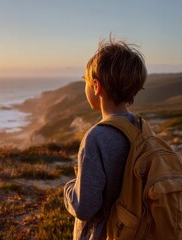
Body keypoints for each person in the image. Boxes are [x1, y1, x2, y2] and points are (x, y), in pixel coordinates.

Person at [63, 37, 147, 239]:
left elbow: (85, 207)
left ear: (96, 86)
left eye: (85, 82)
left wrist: (68, 190)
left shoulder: (97, 138)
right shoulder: (141, 128)